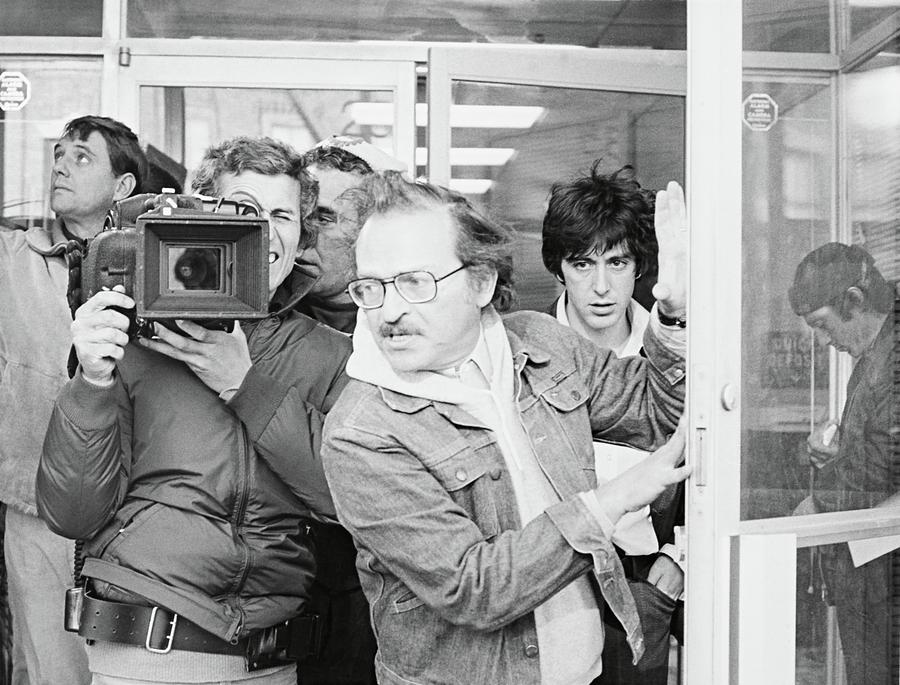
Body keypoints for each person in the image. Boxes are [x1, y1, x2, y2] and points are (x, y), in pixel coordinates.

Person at [321, 171, 692, 685]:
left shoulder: (542, 345)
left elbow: (657, 410)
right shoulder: (362, 432)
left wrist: (674, 311)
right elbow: (475, 589)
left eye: (414, 282)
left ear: (481, 282)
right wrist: (612, 501)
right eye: (372, 287)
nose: (390, 310)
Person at [36, 136, 352, 684]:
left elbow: (346, 496)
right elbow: (71, 514)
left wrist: (243, 384)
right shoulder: (130, 339)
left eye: (284, 215)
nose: (267, 231)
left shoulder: (328, 352)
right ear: (194, 219)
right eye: (246, 211)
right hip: (146, 651)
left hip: (273, 659)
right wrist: (90, 381)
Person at [0, 114, 147, 685]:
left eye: (82, 156)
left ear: (124, 186)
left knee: (121, 670)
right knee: (47, 667)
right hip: (34, 502)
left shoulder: (153, 261)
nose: (60, 164)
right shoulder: (14, 258)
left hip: (133, 510)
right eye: (58, 153)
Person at [541, 162, 684, 685]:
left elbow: (714, 456)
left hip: (644, 576)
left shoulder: (677, 344)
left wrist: (678, 560)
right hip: (554, 581)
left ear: (639, 266)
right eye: (582, 264)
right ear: (559, 267)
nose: (601, 286)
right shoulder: (521, 351)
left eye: (618, 263)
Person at [789, 241, 898, 685]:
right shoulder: (875, 351)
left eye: (822, 325)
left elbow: (886, 462)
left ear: (853, 301)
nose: (822, 341)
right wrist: (838, 456)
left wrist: (819, 500)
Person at [296, 135, 408, 334]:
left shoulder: (404, 324)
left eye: (323, 219)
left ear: (372, 234)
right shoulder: (259, 311)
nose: (301, 236)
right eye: (296, 215)